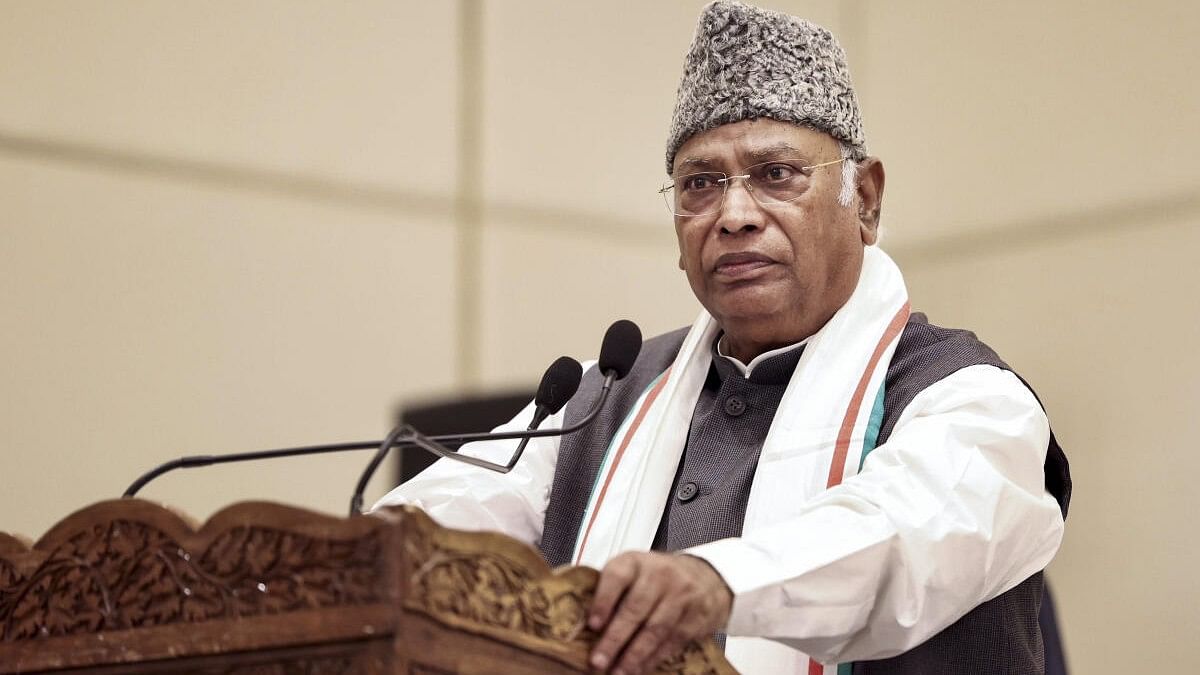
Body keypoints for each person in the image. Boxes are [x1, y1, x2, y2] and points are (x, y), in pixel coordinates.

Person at [374, 2, 1071, 674]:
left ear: (867, 199)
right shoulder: (604, 398)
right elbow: (430, 531)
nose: (734, 214)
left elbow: (902, 539)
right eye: (700, 184)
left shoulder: (970, 398)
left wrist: (713, 581)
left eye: (777, 175)